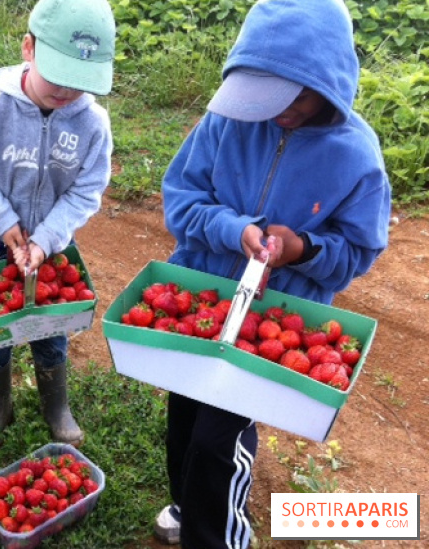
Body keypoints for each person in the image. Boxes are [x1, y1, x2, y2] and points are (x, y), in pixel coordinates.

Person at [155, 0, 391, 546]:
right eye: (258, 96)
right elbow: (182, 199)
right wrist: (234, 230)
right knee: (185, 414)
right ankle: (187, 504)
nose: (272, 112)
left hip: (270, 326)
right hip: (204, 301)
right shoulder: (226, 121)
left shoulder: (357, 159)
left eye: (288, 98)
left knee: (220, 439)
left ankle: (217, 537)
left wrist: (303, 248)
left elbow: (357, 250)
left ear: (327, 84)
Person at [0, 0, 115, 454]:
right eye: (57, 76)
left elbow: (87, 189)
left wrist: (46, 239)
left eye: (80, 84)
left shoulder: (92, 123)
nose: (66, 92)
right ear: (28, 48)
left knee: (49, 329)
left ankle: (54, 404)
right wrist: (2, 220)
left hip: (52, 247)